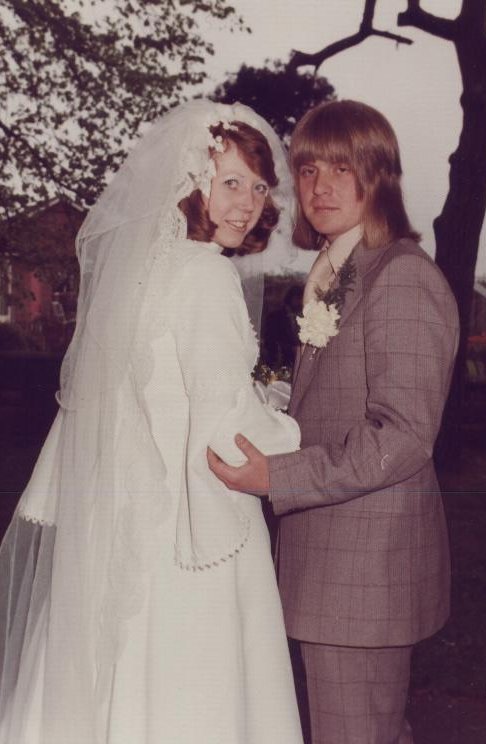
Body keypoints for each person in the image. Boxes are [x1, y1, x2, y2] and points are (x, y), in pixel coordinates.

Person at [0, 100, 304, 744]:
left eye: (257, 186)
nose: (247, 202)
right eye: (229, 183)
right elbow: (227, 428)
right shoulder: (206, 278)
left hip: (125, 519)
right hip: (194, 521)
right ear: (190, 184)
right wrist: (287, 426)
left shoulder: (142, 273)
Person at [208, 99, 460, 744]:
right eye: (309, 170)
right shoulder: (339, 268)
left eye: (341, 170)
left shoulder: (402, 277)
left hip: (364, 576)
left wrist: (277, 474)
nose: (320, 188)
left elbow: (403, 436)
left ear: (378, 175)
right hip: (328, 567)